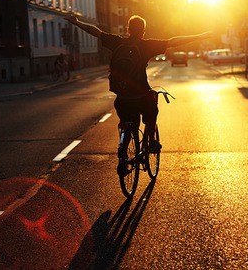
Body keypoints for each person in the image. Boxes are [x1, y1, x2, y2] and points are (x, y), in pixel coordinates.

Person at [64, 14, 211, 170]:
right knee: (152, 110)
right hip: (141, 96)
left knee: (128, 122)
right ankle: (152, 142)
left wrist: (77, 22)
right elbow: (174, 41)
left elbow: (96, 32)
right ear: (143, 31)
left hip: (121, 98)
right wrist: (199, 36)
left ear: (128, 29)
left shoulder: (117, 42)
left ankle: (123, 151)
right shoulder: (146, 46)